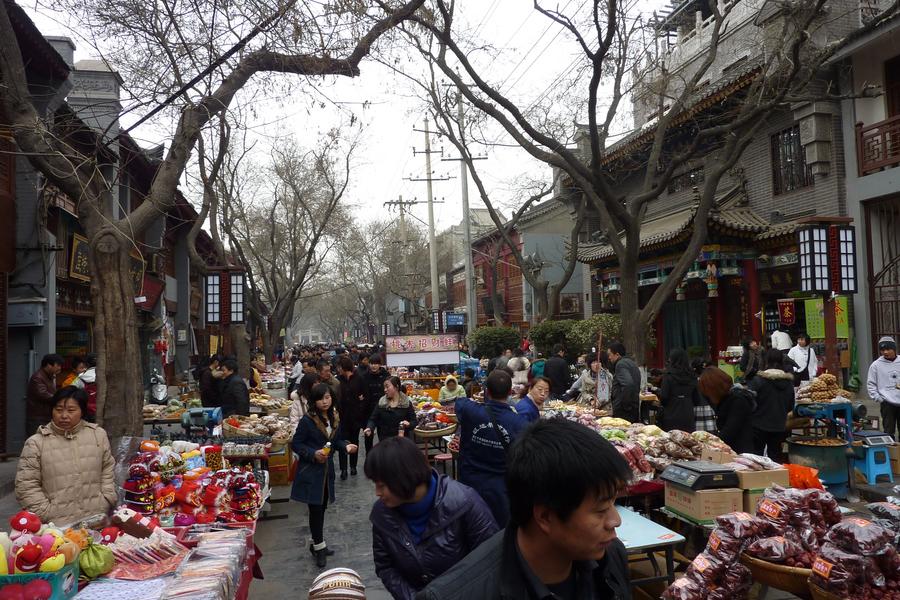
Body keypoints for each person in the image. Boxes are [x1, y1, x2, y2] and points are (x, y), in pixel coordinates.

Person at [417, 418, 633, 600]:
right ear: (545, 517)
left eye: (614, 503)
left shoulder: (610, 557)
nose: (616, 521)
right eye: (601, 509)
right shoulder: (455, 594)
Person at [366, 436, 499, 599]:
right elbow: (385, 567)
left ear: (403, 478)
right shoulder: (382, 514)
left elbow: (491, 561)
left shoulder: (465, 503)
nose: (377, 493)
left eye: (382, 486)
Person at [15, 386, 116, 525]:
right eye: (58, 409)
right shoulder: (36, 443)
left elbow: (108, 468)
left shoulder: (98, 435)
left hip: (96, 519)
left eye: (71, 410)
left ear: (82, 411)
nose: (64, 415)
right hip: (56, 528)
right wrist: (45, 513)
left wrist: (106, 498)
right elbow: (26, 485)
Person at [292, 383, 359, 567]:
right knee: (316, 509)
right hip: (312, 473)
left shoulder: (334, 417)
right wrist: (313, 454)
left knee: (321, 508)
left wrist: (345, 446)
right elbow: (296, 444)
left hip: (326, 473)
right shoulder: (307, 420)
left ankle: (317, 543)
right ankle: (319, 547)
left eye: (327, 397)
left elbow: (335, 441)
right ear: (314, 401)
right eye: (321, 398)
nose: (325, 401)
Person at [455, 370, 528, 526]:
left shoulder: (470, 410)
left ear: (486, 391)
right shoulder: (519, 424)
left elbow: (459, 402)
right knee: (497, 534)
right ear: (510, 392)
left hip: (469, 483)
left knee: (469, 529)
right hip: (499, 490)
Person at [748, 350, 795, 463]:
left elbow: (750, 403)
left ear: (766, 361)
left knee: (756, 459)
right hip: (779, 425)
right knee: (775, 458)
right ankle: (776, 479)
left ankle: (758, 480)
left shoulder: (758, 380)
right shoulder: (788, 383)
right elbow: (790, 406)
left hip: (758, 425)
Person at [698, 367, 756, 454]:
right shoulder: (723, 399)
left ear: (715, 388)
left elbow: (730, 430)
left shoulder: (738, 400)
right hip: (730, 449)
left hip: (740, 451)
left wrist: (710, 444)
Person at [337, 356, 367, 479]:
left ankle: (353, 466)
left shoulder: (359, 378)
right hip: (342, 417)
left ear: (344, 367)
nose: (338, 369)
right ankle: (343, 469)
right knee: (342, 443)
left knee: (355, 442)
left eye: (339, 367)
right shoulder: (338, 380)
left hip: (355, 416)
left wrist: (361, 406)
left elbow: (365, 395)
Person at [657, 349, 700, 432]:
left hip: (671, 414)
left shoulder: (668, 376)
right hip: (688, 414)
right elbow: (696, 400)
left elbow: (664, 397)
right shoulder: (692, 376)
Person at [867, 336, 900, 440]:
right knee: (888, 431)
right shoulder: (876, 365)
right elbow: (871, 384)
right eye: (882, 350)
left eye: (888, 349)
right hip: (887, 402)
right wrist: (879, 398)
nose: (885, 352)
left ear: (894, 349)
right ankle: (892, 454)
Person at [365, 377, 416, 441]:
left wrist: (409, 424)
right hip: (385, 440)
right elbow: (372, 419)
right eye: (384, 387)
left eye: (387, 387)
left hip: (402, 440)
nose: (385, 390)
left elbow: (414, 421)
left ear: (396, 387)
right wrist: (369, 427)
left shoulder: (406, 403)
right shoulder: (382, 403)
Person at [25, 354, 64, 435]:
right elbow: (44, 394)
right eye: (58, 365)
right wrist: (61, 398)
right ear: (49, 365)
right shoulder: (38, 377)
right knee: (37, 442)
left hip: (45, 416)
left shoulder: (49, 376)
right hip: (38, 418)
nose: (60, 368)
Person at [608, 342, 641, 423]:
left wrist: (625, 405)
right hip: (633, 407)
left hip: (624, 411)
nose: (609, 357)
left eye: (610, 354)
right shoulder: (632, 363)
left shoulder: (620, 364)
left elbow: (628, 385)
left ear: (617, 354)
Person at [362, 355, 390, 451]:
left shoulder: (386, 376)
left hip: (383, 409)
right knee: (368, 436)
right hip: (368, 411)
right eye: (371, 363)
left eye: (376, 363)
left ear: (380, 364)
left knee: (384, 437)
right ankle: (369, 458)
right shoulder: (364, 376)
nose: (373, 366)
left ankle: (384, 458)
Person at [73, 353, 98, 421]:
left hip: (87, 411)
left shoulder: (81, 377)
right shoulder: (106, 376)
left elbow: (71, 390)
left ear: (86, 364)